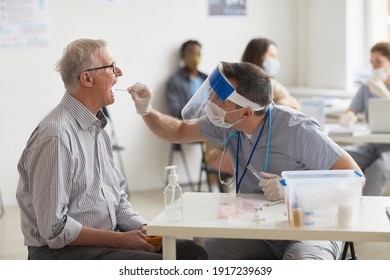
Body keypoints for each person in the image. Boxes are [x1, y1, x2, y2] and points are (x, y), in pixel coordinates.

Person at [127, 61, 363, 260]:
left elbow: (355, 179)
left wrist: (293, 189)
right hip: (257, 224)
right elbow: (178, 131)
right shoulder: (228, 123)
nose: (210, 102)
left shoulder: (298, 130)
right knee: (208, 256)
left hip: (311, 226)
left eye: (219, 98)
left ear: (246, 112)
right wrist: (146, 110)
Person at [15, 38, 207, 260]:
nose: (120, 73)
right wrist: (120, 239)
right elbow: (55, 230)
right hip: (60, 252)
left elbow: (117, 202)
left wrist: (148, 230)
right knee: (162, 265)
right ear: (87, 78)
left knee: (192, 252)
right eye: (111, 67)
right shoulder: (56, 136)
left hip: (103, 240)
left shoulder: (97, 128)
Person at [165, 40, 234, 183]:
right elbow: (176, 111)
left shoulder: (208, 78)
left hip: (216, 121)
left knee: (232, 131)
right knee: (217, 134)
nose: (195, 56)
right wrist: (202, 112)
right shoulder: (174, 81)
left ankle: (226, 173)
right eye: (191, 52)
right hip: (193, 124)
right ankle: (222, 176)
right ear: (183, 55)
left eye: (198, 53)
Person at [339, 41, 390, 196]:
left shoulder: (380, 89)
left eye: (379, 62)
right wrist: (348, 117)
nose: (375, 66)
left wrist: (385, 95)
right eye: (372, 62)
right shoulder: (367, 88)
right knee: (339, 155)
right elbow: (350, 111)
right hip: (371, 144)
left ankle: (365, 211)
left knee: (379, 169)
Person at [241, 37, 300, 110]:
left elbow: (293, 105)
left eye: (276, 57)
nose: (276, 61)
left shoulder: (274, 86)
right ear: (257, 57)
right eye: (272, 56)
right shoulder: (238, 83)